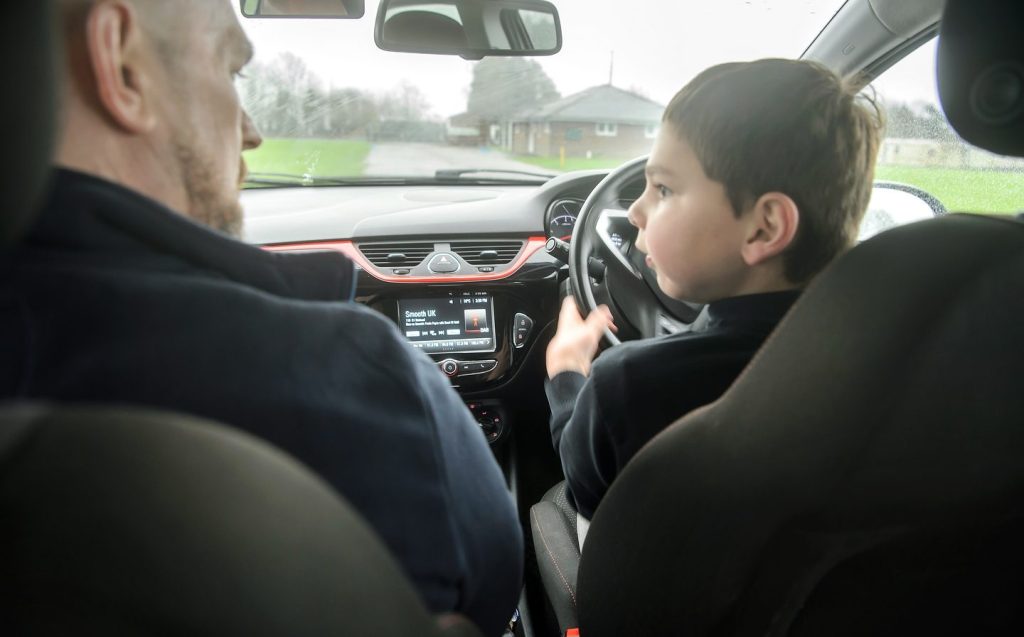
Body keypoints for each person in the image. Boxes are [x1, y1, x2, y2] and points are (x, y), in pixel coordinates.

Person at [0, 1, 522, 634]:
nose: (251, 131)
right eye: (232, 71)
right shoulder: (358, 380)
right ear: (121, 65)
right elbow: (492, 597)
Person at [545, 59, 883, 521]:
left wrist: (568, 374)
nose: (635, 214)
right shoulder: (890, 352)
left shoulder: (626, 385)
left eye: (662, 189)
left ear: (765, 228)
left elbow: (584, 488)